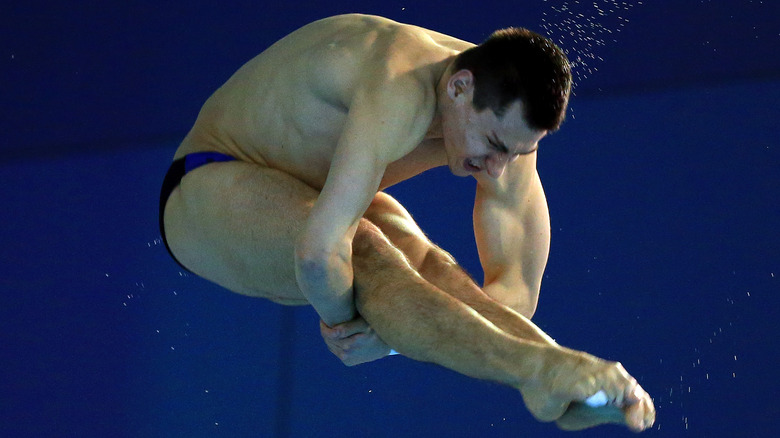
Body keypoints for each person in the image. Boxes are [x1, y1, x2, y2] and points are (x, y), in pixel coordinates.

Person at [159, 14, 655, 432]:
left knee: (435, 269)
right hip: (208, 183)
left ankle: (566, 382)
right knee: (369, 252)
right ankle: (540, 371)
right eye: (496, 146)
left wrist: (397, 332)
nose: (500, 168)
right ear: (460, 88)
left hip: (315, 197)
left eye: (519, 152)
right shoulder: (398, 82)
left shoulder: (508, 124)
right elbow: (318, 255)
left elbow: (512, 296)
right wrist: (360, 316)